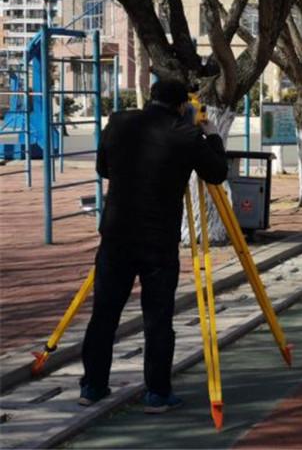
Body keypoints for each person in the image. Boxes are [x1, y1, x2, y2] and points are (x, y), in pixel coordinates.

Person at [79, 80, 228, 413]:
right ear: (181, 106)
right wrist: (211, 132)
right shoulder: (186, 134)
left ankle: (92, 386)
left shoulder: (118, 121)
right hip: (158, 241)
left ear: (151, 98)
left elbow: (103, 168)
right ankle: (157, 393)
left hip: (116, 234)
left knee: (104, 313)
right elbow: (217, 173)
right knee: (158, 318)